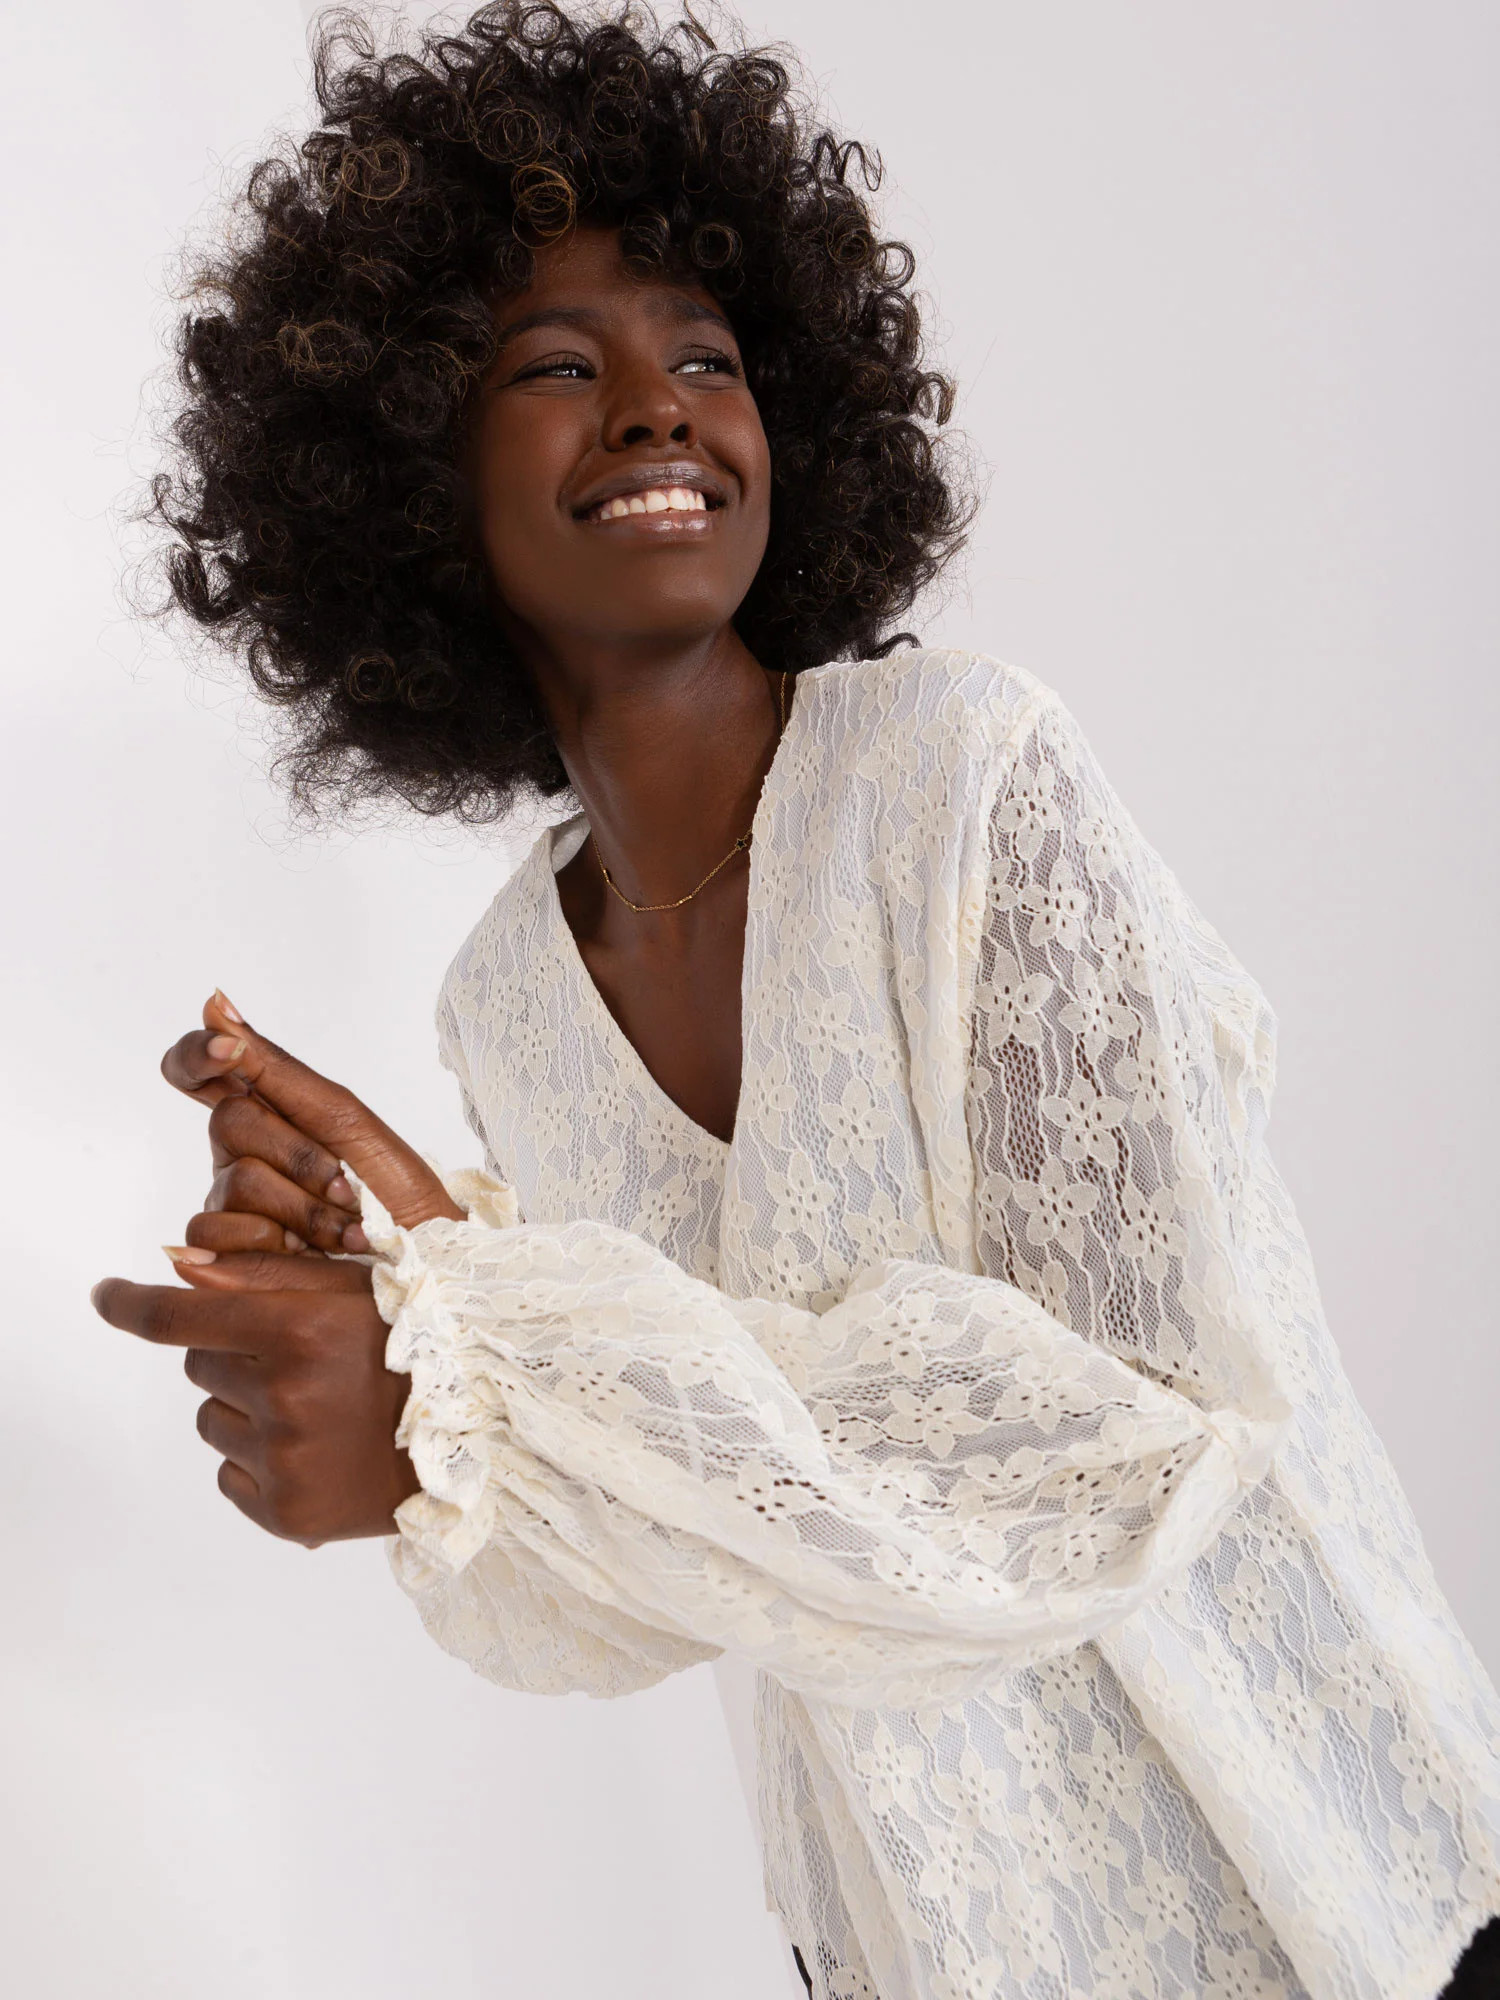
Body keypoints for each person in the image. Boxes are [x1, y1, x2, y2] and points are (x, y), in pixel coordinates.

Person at [91, 5, 1500, 1995]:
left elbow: (1125, 1437)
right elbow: (649, 1575)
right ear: (408, 477)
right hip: (918, 1945)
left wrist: (469, 1379)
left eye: (708, 359)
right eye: (557, 366)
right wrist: (422, 1291)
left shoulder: (964, 782)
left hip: (1322, 1892)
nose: (655, 410)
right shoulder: (508, 1000)